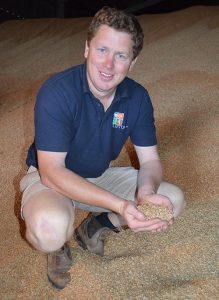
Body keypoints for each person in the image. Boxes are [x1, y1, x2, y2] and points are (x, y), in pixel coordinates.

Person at [20, 6, 185, 290]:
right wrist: (121, 204)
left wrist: (145, 193)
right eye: (102, 50)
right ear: (87, 49)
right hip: (51, 180)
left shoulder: (137, 97)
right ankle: (59, 244)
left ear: (132, 62)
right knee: (49, 229)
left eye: (121, 55)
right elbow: (51, 172)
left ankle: (97, 226)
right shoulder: (57, 91)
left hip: (98, 176)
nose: (108, 64)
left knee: (172, 200)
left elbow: (150, 161)